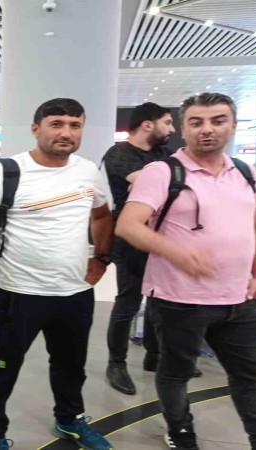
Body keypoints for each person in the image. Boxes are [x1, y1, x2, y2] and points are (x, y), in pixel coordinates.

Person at [116, 93, 256, 450]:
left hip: (239, 299)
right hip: (179, 299)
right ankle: (180, 429)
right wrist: (178, 253)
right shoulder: (162, 172)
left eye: (218, 120)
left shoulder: (244, 171)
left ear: (233, 126)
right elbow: (128, 225)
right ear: (183, 129)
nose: (207, 129)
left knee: (250, 376)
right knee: (175, 373)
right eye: (196, 122)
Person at [0, 98, 114, 450]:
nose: (66, 132)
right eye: (56, 124)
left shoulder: (88, 171)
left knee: (71, 365)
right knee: (3, 366)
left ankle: (69, 419)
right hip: (17, 291)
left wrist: (101, 258)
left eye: (75, 125)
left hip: (74, 292)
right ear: (36, 129)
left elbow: (102, 215)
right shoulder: (5, 172)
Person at [102, 102, 178, 395]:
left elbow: (176, 185)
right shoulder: (119, 154)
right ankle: (116, 363)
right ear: (147, 125)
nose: (172, 129)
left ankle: (154, 356)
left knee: (160, 300)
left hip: (162, 237)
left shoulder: (163, 153)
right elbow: (156, 185)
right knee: (128, 303)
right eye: (167, 122)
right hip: (131, 239)